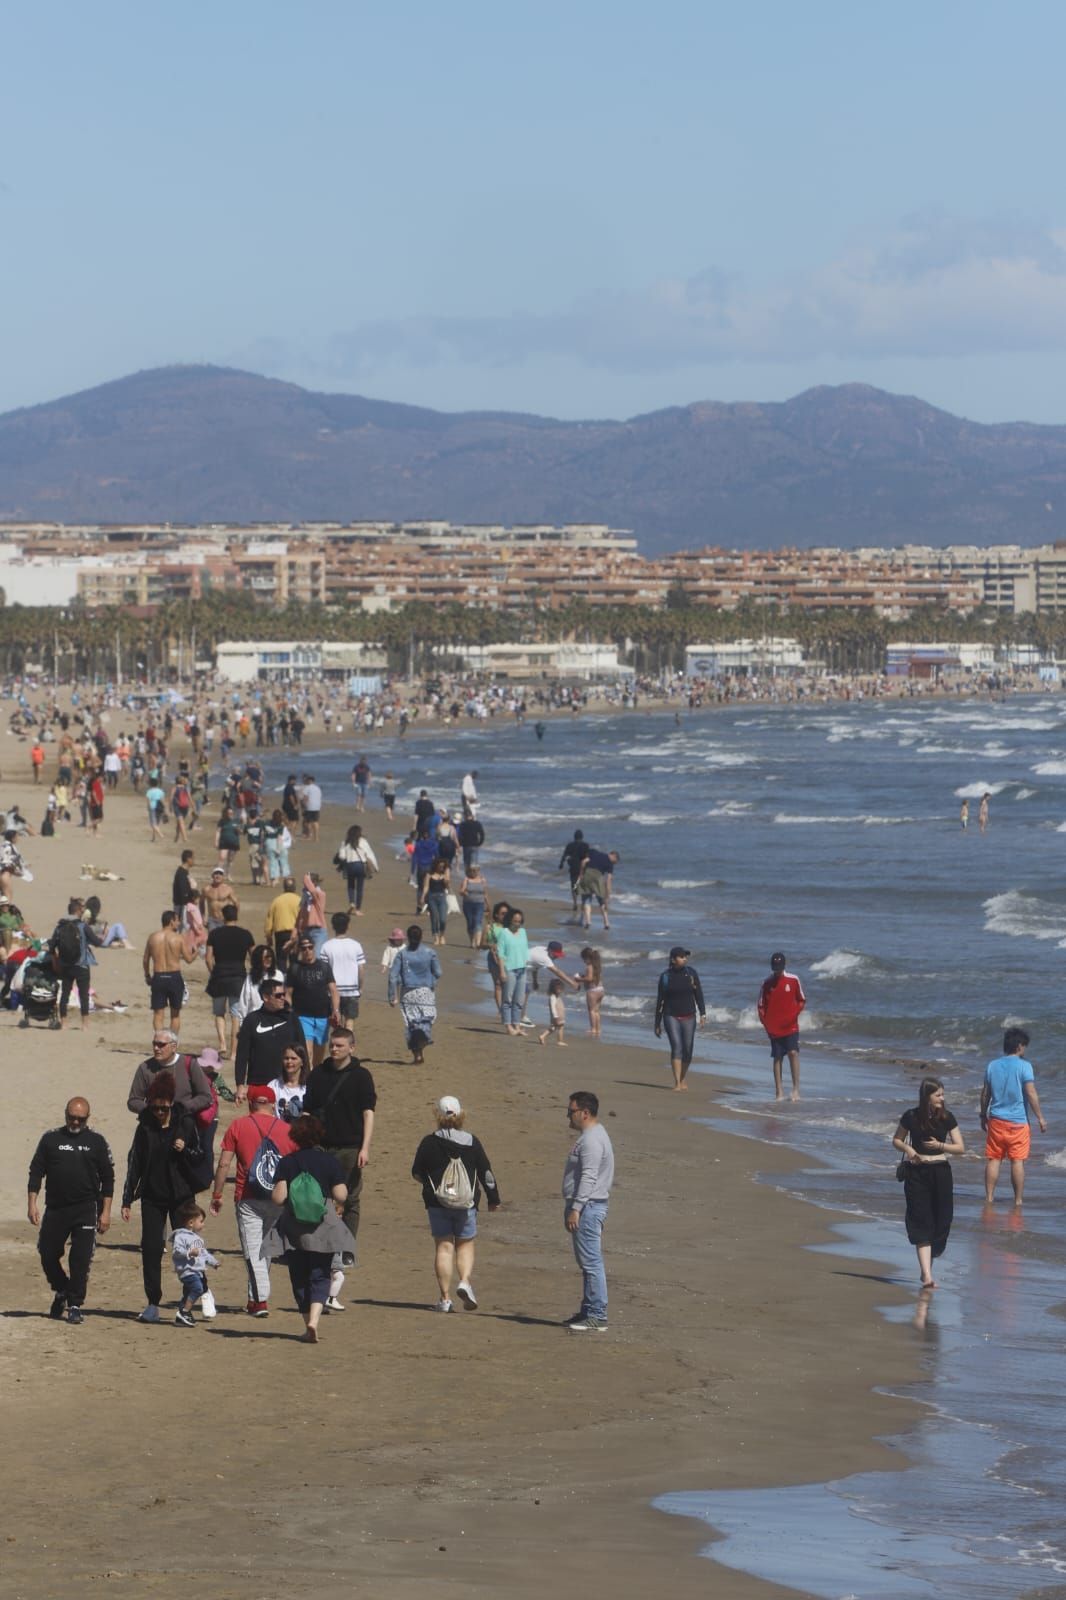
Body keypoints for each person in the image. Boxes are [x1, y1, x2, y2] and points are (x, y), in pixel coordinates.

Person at [120, 1071, 202, 1323]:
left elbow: (200, 1156)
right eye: (154, 1107)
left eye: (163, 1108)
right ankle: (153, 1302)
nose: (158, 1113)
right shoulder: (144, 1127)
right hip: (152, 1197)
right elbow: (134, 1162)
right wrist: (126, 1198)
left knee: (188, 1249)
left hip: (181, 1196)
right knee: (151, 1249)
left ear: (170, 1103)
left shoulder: (185, 1123)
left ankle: (199, 1293)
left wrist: (185, 1149)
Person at [211, 1083, 297, 1316]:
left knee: (252, 1248)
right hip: (278, 1196)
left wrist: (217, 1194)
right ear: (272, 1105)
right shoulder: (287, 1130)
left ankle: (260, 1300)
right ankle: (254, 1298)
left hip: (247, 1195)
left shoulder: (239, 1125)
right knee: (265, 1247)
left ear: (250, 1102)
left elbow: (224, 1164)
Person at [27, 1097, 114, 1325]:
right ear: (65, 1114)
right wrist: (31, 1203)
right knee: (47, 1252)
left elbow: (108, 1179)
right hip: (56, 1208)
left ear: (87, 1118)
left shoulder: (96, 1141)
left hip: (86, 1208)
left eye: (80, 1118)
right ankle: (62, 1289)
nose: (75, 1122)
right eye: (71, 1117)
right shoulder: (51, 1139)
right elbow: (36, 1172)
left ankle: (75, 1304)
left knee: (80, 1260)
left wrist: (106, 1212)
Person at [411, 1094, 502, 1312]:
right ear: (461, 1115)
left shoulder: (429, 1142)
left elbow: (416, 1172)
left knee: (444, 1248)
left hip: (437, 1203)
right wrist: (493, 1199)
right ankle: (465, 1281)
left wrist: (430, 1186)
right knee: (465, 1244)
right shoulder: (472, 1142)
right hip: (466, 1203)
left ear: (437, 1115)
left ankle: (445, 1299)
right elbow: (486, 1174)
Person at [266, 1114, 351, 1343]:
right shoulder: (330, 1161)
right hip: (323, 1226)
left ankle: (307, 1326)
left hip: (295, 1227)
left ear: (295, 1136)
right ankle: (314, 1320)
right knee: (321, 1274)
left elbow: (278, 1198)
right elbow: (341, 1194)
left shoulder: (287, 1162)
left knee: (299, 1276)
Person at [304, 1027, 377, 1249]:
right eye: (332, 1045)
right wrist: (303, 1142)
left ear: (351, 1048)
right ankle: (321, 1242)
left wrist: (365, 1148)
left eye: (339, 1046)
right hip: (320, 1145)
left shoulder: (361, 1076)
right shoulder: (318, 1074)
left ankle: (347, 1247)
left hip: (350, 1147)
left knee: (350, 1197)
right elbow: (307, 1110)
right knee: (317, 1195)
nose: (334, 1049)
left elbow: (368, 1113)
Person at [892, 1077, 964, 1289]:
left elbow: (960, 1147)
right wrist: (909, 1150)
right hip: (917, 1173)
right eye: (938, 1095)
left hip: (941, 1172)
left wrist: (941, 1145)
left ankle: (929, 1263)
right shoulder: (911, 1116)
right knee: (921, 1221)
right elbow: (897, 1139)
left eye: (943, 1094)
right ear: (927, 1097)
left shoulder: (947, 1117)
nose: (942, 1098)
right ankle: (927, 1274)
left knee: (942, 1222)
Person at [562, 1091, 615, 1333]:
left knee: (592, 1262)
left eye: (571, 1111)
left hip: (589, 1206)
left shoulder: (592, 1140)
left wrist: (576, 1208)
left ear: (585, 1113)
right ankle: (588, 1309)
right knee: (587, 1261)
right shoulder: (592, 1136)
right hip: (589, 1205)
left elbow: (589, 1176)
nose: (568, 1116)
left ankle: (597, 1314)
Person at [981, 1026, 1047, 1205]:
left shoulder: (992, 1065)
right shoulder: (1025, 1066)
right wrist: (1040, 1117)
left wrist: (982, 1115)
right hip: (1018, 1123)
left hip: (996, 1120)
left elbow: (985, 1093)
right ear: (1019, 1046)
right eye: (1024, 1046)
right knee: (1017, 1161)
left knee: (994, 1159)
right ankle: (1017, 1200)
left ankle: (989, 1198)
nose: (1024, 1049)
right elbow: (1031, 1093)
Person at [234, 980, 307, 1100]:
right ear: (266, 997)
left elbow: (302, 1051)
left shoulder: (292, 1018)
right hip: (259, 1083)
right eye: (278, 995)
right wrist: (240, 1085)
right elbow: (242, 1055)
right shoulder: (252, 1020)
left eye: (284, 994)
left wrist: (305, 1079)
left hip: (287, 1084)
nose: (283, 998)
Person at [205, 903, 255, 1060]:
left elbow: (208, 958)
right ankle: (234, 1053)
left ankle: (222, 1044)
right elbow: (254, 956)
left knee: (219, 1013)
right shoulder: (245, 934)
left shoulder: (214, 933)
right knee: (236, 1016)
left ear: (223, 916)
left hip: (219, 976)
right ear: (236, 916)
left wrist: (214, 972)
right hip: (238, 977)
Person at [127, 1030, 215, 1119]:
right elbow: (133, 1100)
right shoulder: (145, 1068)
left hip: (182, 1123)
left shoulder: (190, 1064)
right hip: (152, 1124)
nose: (156, 1048)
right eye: (154, 1044)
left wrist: (180, 1108)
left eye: (161, 1045)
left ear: (173, 1047)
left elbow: (206, 1096)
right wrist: (154, 1110)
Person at [654, 946, 707, 1090]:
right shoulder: (665, 977)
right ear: (673, 959)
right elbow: (660, 1001)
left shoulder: (691, 974)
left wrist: (703, 1013)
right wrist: (657, 1023)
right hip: (670, 1016)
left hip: (689, 1016)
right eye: (681, 956)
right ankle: (677, 1082)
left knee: (688, 1050)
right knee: (677, 1047)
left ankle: (682, 1077)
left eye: (685, 956)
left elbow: (699, 995)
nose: (685, 958)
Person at [388, 923, 442, 1064]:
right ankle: (422, 1043)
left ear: (407, 937)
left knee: (411, 1023)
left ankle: (417, 1053)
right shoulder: (430, 953)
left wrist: (391, 995)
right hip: (426, 992)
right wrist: (432, 982)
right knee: (425, 1021)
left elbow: (393, 976)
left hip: (408, 993)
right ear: (421, 937)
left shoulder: (402, 954)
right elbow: (438, 973)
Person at [757, 952, 806, 1102]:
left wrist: (793, 1016)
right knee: (777, 1057)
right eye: (775, 968)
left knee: (793, 1053)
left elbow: (801, 1000)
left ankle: (796, 1089)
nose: (777, 971)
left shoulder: (793, 980)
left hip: (791, 1025)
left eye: (779, 968)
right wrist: (767, 1023)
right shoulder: (766, 983)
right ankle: (779, 1091)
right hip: (774, 1027)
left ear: (784, 966)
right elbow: (761, 1005)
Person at [286, 934, 340, 1066]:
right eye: (304, 948)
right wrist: (290, 1012)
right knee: (306, 1052)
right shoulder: (294, 968)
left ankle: (315, 1078)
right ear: (300, 950)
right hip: (302, 1016)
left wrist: (336, 1010)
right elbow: (288, 993)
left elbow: (333, 990)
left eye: (310, 947)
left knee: (319, 1055)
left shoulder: (324, 967)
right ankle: (307, 1082)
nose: (307, 951)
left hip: (323, 1016)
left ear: (314, 947)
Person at [142, 909, 196, 1036]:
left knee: (158, 1014)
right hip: (174, 976)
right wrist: (196, 953)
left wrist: (147, 975)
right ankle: (172, 1043)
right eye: (177, 921)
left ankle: (159, 1041)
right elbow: (188, 959)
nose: (178, 923)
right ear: (171, 921)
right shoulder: (178, 938)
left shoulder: (153, 937)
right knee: (175, 1014)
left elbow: (145, 960)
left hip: (159, 976)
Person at [50, 897, 99, 1032]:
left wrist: (57, 960)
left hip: (65, 966)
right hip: (81, 965)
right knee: (84, 995)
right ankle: (85, 1024)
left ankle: (64, 1023)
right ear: (77, 911)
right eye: (81, 909)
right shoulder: (83, 926)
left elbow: (51, 946)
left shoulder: (59, 927)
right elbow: (97, 942)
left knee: (65, 993)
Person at [171, 1201, 220, 1326]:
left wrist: (213, 1262)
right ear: (191, 1223)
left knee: (188, 1293)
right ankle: (185, 1312)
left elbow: (203, 1253)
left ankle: (182, 1315)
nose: (203, 1224)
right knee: (198, 1289)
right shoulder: (180, 1236)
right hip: (187, 1271)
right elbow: (177, 1251)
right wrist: (189, 1252)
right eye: (201, 1221)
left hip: (197, 1271)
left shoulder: (198, 1239)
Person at [320, 911, 366, 1022]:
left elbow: (323, 970)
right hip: (351, 990)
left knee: (336, 1023)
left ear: (333, 926)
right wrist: (360, 987)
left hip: (333, 990)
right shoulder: (356, 945)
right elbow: (361, 969)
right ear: (347, 926)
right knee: (350, 1022)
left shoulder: (326, 946)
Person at [496, 908, 530, 1037]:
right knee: (507, 1000)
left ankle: (517, 1025)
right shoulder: (504, 933)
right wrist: (502, 972)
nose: (517, 924)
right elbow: (500, 954)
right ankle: (508, 1025)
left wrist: (526, 962)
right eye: (515, 921)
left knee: (519, 1000)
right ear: (510, 920)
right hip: (509, 969)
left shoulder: (523, 932)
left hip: (522, 969)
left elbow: (525, 948)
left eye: (520, 922)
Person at [334, 824, 378, 915]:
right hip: (360, 866)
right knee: (360, 888)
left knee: (350, 886)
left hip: (350, 866)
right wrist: (376, 867)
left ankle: (351, 903)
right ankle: (358, 910)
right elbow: (370, 854)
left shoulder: (345, 842)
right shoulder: (363, 841)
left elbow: (342, 856)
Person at [268, 1042, 311, 1122]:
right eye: (286, 1058)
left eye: (293, 1058)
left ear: (302, 1062)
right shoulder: (273, 1086)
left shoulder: (310, 1086)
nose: (289, 1062)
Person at [265, 876, 301, 966]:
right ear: (295, 887)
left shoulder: (276, 901)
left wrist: (269, 937)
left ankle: (282, 977)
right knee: (294, 960)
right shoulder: (299, 900)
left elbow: (269, 922)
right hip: (295, 933)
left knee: (281, 960)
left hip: (280, 934)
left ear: (284, 887)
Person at [421, 855, 451, 946]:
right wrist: (422, 897)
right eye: (440, 866)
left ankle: (442, 935)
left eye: (443, 866)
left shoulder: (445, 875)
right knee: (434, 918)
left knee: (443, 919)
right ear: (436, 865)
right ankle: (436, 936)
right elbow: (426, 887)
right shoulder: (429, 874)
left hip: (442, 897)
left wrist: (446, 880)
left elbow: (448, 888)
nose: (442, 868)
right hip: (431, 897)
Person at [576, 946, 605, 1040]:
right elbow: (593, 977)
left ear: (587, 958)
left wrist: (579, 979)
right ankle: (598, 1029)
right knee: (596, 1011)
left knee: (591, 1010)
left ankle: (593, 1028)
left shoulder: (589, 967)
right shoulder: (597, 966)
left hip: (592, 991)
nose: (584, 962)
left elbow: (589, 978)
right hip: (601, 989)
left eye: (584, 959)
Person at [459, 862, 489, 948]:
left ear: (478, 871)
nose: (473, 872)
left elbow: (485, 894)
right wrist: (464, 893)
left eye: (475, 871)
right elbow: (461, 891)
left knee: (478, 922)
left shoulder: (482, 880)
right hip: (468, 904)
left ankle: (478, 942)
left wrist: (488, 905)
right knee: (470, 923)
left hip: (479, 904)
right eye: (471, 871)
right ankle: (472, 941)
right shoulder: (466, 879)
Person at [558, 829, 587, 912]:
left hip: (573, 868)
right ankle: (583, 903)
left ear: (574, 837)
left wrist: (561, 864)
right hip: (582, 868)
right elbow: (588, 857)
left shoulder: (570, 845)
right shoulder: (585, 845)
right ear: (582, 837)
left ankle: (575, 903)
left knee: (574, 886)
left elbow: (564, 855)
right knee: (582, 886)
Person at [539, 978, 567, 1046]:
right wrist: (555, 1016)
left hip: (559, 1016)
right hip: (556, 1016)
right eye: (558, 989)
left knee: (553, 1028)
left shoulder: (558, 996)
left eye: (561, 989)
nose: (560, 990)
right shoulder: (553, 997)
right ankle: (560, 1041)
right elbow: (553, 1008)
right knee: (560, 1027)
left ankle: (542, 1036)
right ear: (553, 989)